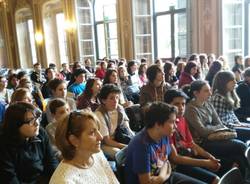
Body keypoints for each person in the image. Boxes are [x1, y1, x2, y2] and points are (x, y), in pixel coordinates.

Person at [125, 102, 205, 184]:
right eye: (171, 122)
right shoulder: (141, 145)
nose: (175, 126)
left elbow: (165, 161)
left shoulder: (164, 134)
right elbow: (147, 182)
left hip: (162, 176)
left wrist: (162, 177)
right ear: (157, 124)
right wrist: (164, 175)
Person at [184, 80, 248, 176]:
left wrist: (210, 127)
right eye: (206, 91)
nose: (210, 93)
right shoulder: (190, 109)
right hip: (203, 143)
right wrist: (214, 127)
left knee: (238, 156)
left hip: (215, 137)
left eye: (210, 90)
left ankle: (244, 178)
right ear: (196, 93)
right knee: (241, 146)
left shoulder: (208, 103)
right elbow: (202, 132)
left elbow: (219, 123)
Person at [164, 89, 220, 184]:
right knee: (215, 179)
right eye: (176, 104)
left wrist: (209, 157)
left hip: (187, 155)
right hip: (176, 165)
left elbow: (191, 144)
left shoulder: (182, 119)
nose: (181, 107)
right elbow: (175, 158)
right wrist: (205, 162)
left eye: (183, 104)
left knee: (218, 170)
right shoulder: (166, 125)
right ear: (167, 105)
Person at [49, 110, 119, 184]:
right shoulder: (63, 181)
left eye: (98, 130)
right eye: (92, 133)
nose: (100, 137)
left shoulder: (97, 155)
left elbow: (113, 181)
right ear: (74, 140)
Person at [0, 102, 58, 183]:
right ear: (16, 125)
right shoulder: (3, 145)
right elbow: (9, 178)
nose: (37, 123)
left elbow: (51, 161)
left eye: (37, 118)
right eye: (31, 121)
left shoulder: (40, 133)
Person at [95, 84, 134, 159]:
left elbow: (126, 125)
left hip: (119, 137)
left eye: (117, 97)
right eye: (111, 98)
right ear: (103, 100)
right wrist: (127, 146)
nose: (115, 101)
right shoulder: (99, 114)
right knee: (120, 154)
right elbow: (107, 140)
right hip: (106, 143)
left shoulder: (119, 108)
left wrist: (132, 136)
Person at [211, 71, 250, 143]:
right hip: (226, 130)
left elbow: (232, 114)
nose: (235, 82)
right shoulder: (218, 98)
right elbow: (220, 122)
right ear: (224, 83)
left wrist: (240, 124)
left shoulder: (228, 94)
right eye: (232, 80)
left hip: (232, 125)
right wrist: (239, 126)